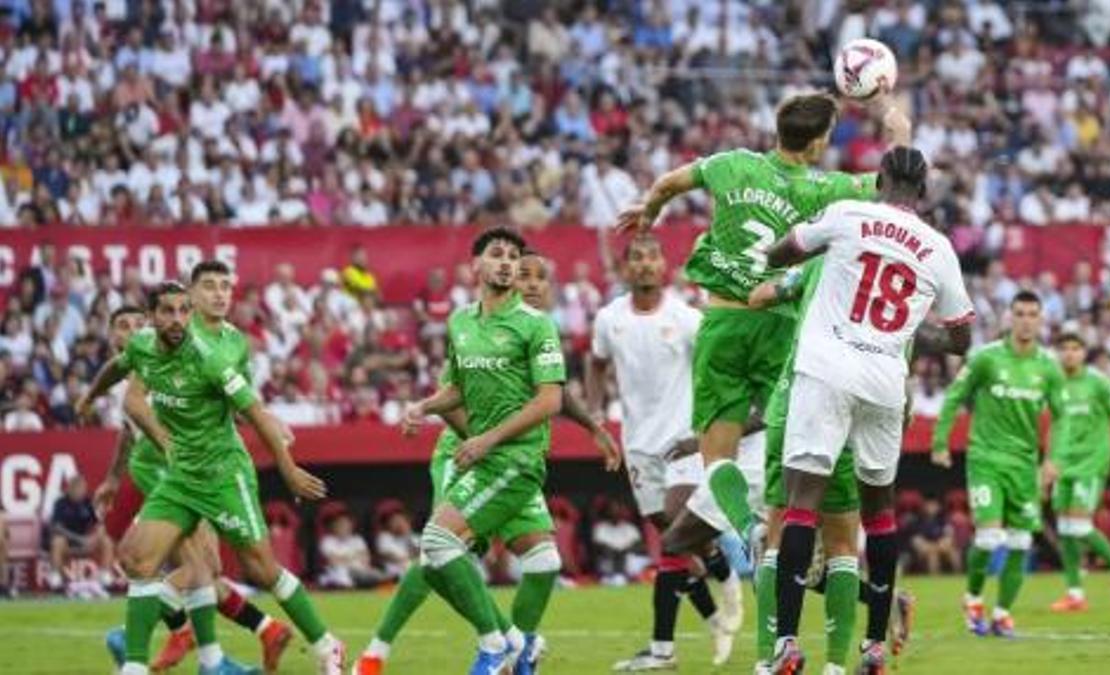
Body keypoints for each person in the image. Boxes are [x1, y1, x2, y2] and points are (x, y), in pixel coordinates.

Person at [616, 90, 911, 567]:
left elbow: (669, 183)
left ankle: (748, 528)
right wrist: (893, 120)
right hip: (782, 328)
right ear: (818, 143)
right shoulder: (826, 189)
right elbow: (895, 180)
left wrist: (648, 213)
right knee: (790, 450)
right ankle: (793, 540)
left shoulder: (733, 164)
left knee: (717, 463)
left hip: (724, 322)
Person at [353, 232, 619, 675]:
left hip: (507, 456)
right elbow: (456, 390)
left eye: (519, 260)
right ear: (475, 265)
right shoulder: (461, 322)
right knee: (438, 549)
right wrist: (423, 406)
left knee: (507, 555)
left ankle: (503, 645)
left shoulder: (535, 325)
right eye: (499, 256)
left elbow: (551, 398)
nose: (512, 267)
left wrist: (489, 439)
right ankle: (503, 645)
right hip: (467, 453)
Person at [764, 146, 974, 674]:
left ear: (879, 180)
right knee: (879, 513)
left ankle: (787, 643)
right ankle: (875, 646)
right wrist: (908, 333)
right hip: (884, 381)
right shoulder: (938, 248)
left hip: (825, 370)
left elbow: (779, 254)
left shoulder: (847, 213)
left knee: (801, 505)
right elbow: (960, 339)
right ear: (923, 191)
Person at [84, 281, 344, 675]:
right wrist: (89, 397)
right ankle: (137, 667)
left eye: (183, 311)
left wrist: (289, 469)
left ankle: (326, 645)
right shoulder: (142, 346)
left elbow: (254, 413)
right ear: (151, 317)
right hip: (180, 477)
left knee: (260, 569)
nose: (177, 319)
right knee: (136, 558)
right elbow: (118, 377)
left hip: (223, 476)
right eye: (168, 311)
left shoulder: (210, 359)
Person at [589, 234, 745, 670]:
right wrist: (596, 413)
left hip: (682, 443)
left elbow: (714, 368)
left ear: (664, 266)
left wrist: (710, 426)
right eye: (636, 257)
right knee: (679, 541)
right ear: (625, 268)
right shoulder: (609, 319)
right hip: (638, 446)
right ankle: (714, 619)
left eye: (652, 256)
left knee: (677, 534)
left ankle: (703, 610)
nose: (644, 263)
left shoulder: (687, 318)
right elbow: (596, 364)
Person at [932, 290, 1071, 638]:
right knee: (990, 535)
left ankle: (1002, 615)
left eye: (1032, 314)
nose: (1026, 321)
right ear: (1010, 317)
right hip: (986, 459)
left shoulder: (1048, 367)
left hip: (1025, 465)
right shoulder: (986, 358)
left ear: (1041, 320)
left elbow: (1062, 417)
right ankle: (973, 599)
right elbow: (955, 396)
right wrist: (940, 442)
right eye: (1020, 313)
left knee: (1021, 541)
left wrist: (1053, 459)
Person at [1048, 332, 1110, 611]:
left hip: (1091, 462)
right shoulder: (1054, 383)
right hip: (1063, 463)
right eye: (1065, 348)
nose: (1070, 353)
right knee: (1064, 527)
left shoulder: (1098, 382)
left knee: (1079, 525)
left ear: (1084, 353)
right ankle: (1075, 593)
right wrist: (1049, 461)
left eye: (1076, 348)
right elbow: (1055, 425)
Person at [47, 474, 115, 592]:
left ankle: (105, 576)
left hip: (86, 542)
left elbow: (99, 524)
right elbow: (56, 527)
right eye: (77, 489)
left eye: (82, 489)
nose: (80, 492)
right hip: (67, 542)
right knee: (57, 542)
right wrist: (79, 539)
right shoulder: (60, 503)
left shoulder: (88, 503)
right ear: (69, 489)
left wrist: (95, 537)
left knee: (106, 541)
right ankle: (56, 579)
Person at [319, 512, 387, 589]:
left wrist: (344, 558)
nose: (344, 527)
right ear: (333, 526)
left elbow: (366, 559)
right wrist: (354, 557)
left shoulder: (358, 539)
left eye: (347, 524)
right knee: (341, 572)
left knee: (377, 574)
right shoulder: (327, 541)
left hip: (360, 571)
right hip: (340, 572)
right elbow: (333, 561)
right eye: (340, 524)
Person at [909, 497, 961, 575]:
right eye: (929, 505)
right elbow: (916, 540)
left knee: (954, 553)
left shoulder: (943, 520)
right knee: (933, 554)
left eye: (934, 505)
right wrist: (930, 547)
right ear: (924, 506)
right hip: (926, 548)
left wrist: (943, 543)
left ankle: (958, 575)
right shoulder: (917, 520)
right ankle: (935, 578)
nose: (931, 508)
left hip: (941, 545)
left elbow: (949, 535)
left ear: (938, 507)